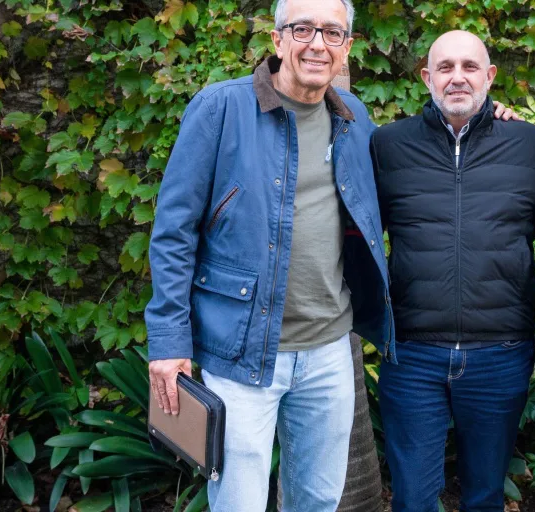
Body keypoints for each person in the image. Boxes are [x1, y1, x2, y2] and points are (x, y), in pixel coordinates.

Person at [144, 0, 394, 510]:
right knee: (239, 502)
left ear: (346, 49)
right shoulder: (220, 108)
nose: (317, 43)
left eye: (332, 33)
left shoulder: (354, 117)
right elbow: (173, 231)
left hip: (328, 351)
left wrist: (491, 118)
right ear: (277, 40)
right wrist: (169, 339)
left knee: (319, 500)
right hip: (242, 354)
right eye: (303, 29)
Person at [371, 30, 535, 512]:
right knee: (411, 498)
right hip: (411, 356)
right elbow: (362, 237)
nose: (457, 77)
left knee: (485, 495)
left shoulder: (532, 145)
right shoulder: (388, 146)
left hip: (500, 353)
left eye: (470, 67)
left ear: (489, 76)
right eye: (445, 67)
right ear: (427, 78)